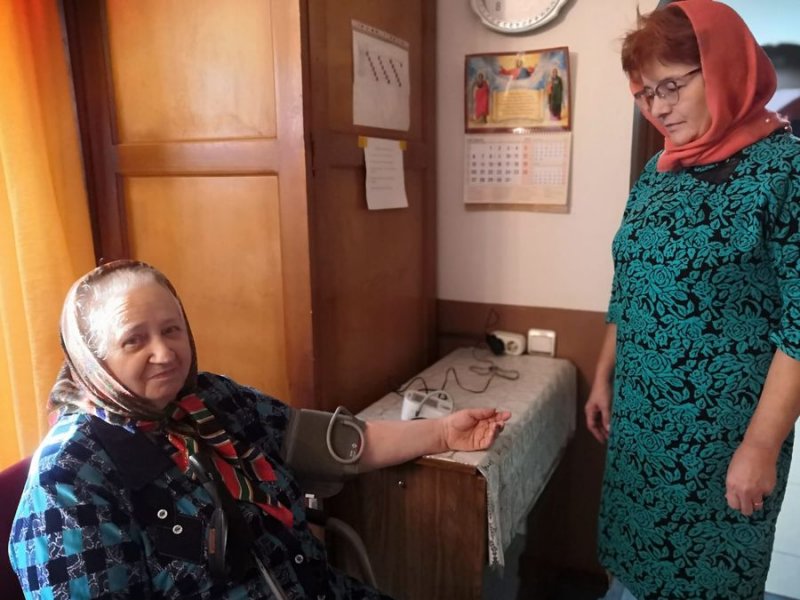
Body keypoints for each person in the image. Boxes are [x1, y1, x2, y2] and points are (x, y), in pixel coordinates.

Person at [9, 260, 511, 599]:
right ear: (93, 360)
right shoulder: (69, 477)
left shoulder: (213, 399)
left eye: (172, 329)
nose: (164, 353)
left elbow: (340, 445)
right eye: (134, 340)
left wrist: (443, 433)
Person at [584, 2, 800, 599]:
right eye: (645, 93)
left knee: (709, 579)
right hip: (640, 423)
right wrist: (604, 375)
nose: (658, 107)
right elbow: (630, 282)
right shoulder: (658, 171)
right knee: (632, 571)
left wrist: (761, 446)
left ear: (724, 68)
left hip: (722, 439)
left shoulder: (785, 171)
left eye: (672, 86)